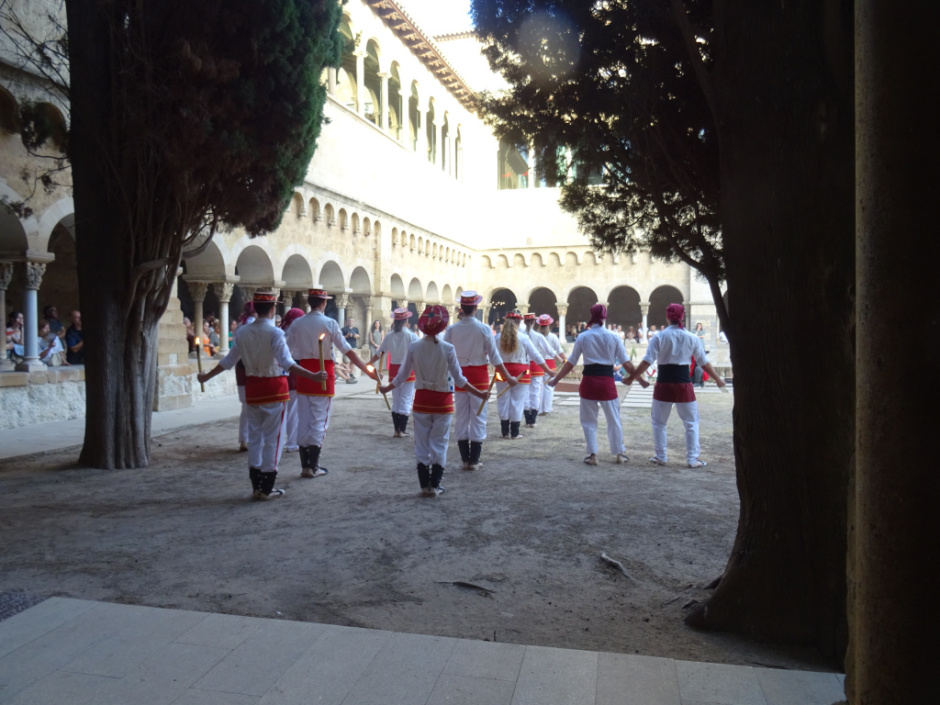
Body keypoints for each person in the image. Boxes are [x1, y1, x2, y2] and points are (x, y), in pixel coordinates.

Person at [197, 292, 328, 501]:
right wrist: (312, 375)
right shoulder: (275, 333)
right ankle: (267, 487)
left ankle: (256, 484)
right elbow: (287, 363)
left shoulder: (242, 332)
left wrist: (206, 377)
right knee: (274, 438)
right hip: (274, 388)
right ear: (273, 308)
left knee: (255, 437)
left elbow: (228, 361)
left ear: (255, 308)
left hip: (253, 389)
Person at [380, 305, 489, 497]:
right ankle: (435, 484)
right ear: (442, 326)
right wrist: (479, 393)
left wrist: (387, 388)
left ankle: (424, 485)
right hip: (442, 402)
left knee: (421, 443)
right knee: (440, 442)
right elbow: (460, 379)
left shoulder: (415, 346)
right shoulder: (448, 348)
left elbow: (402, 375)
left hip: (422, 400)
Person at [287, 289, 377, 478]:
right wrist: (366, 369)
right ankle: (313, 465)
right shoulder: (329, 323)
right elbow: (347, 350)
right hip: (323, 374)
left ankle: (305, 465)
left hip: (304, 373)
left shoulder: (297, 324)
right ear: (324, 303)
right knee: (319, 420)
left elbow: (288, 352)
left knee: (303, 419)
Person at [624, 303, 727, 468]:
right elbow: (704, 363)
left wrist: (631, 378)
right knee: (691, 422)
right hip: (683, 384)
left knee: (658, 423)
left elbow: (646, 361)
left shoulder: (658, 337)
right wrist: (717, 379)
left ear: (667, 317)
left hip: (663, 383)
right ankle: (692, 459)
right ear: (682, 317)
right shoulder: (692, 338)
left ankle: (661, 456)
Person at [548, 303, 646, 466]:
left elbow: (571, 362)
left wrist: (556, 380)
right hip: (607, 382)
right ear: (605, 317)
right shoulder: (614, 337)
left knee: (588, 420)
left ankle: (593, 455)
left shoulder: (583, 337)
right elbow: (626, 363)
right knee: (614, 419)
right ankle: (619, 453)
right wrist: (640, 379)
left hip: (589, 382)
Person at [443, 291, 517, 470]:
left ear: (462, 308)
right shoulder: (483, 329)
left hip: (459, 376)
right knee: (478, 417)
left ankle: (465, 459)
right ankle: (474, 460)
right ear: (476, 308)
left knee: (461, 417)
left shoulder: (452, 329)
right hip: (479, 378)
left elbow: (443, 354)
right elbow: (495, 358)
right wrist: (508, 377)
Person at [494, 311, 551, 439]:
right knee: (517, 402)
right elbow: (536, 356)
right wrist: (549, 370)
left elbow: (490, 356)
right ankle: (514, 432)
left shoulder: (497, 338)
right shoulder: (524, 338)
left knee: (503, 401)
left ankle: (504, 431)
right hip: (521, 372)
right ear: (519, 323)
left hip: (502, 372)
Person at [369, 308, 418, 437]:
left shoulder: (390, 335)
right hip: (408, 369)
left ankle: (396, 430)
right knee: (406, 400)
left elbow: (380, 352)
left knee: (396, 400)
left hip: (394, 369)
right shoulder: (411, 335)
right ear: (406, 320)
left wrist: (369, 362)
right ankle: (401, 430)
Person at [280, 307, 306, 453]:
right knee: (293, 410)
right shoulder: (295, 332)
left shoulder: (282, 331)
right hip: (293, 371)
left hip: (283, 372)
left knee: (286, 409)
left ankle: (289, 440)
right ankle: (291, 442)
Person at [234, 302, 256, 452]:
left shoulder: (240, 327)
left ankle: (244, 439)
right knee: (255, 406)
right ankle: (251, 439)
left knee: (246, 406)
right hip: (254, 368)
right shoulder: (255, 326)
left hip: (241, 367)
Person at [523, 312, 550, 428]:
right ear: (534, 322)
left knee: (526, 392)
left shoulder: (520, 335)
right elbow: (549, 350)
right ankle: (532, 419)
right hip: (536, 365)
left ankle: (527, 417)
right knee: (535, 392)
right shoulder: (539, 336)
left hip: (524, 365)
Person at [537, 314, 567, 415]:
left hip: (538, 363)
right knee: (549, 387)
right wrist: (565, 360)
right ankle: (546, 408)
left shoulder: (536, 336)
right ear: (549, 325)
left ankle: (538, 408)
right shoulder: (553, 337)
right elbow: (559, 351)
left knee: (538, 386)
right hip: (549, 363)